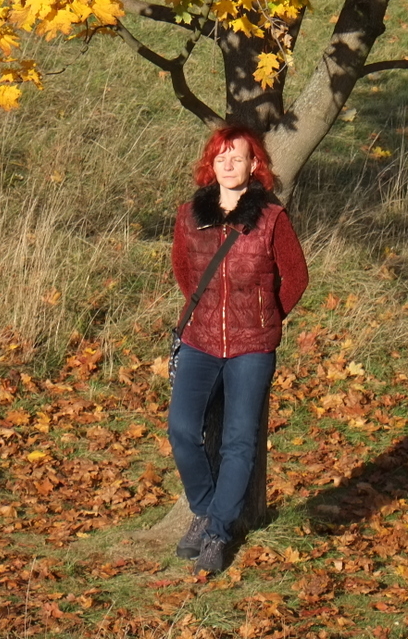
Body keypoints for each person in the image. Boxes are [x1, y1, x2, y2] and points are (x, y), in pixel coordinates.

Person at [168, 126, 308, 574]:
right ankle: (207, 509)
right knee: (183, 430)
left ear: (254, 165)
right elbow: (185, 273)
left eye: (238, 157)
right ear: (211, 164)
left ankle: (218, 532)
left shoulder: (270, 218)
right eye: (220, 157)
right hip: (199, 341)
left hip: (253, 346)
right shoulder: (189, 215)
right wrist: (209, 312)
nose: (228, 164)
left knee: (239, 440)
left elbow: (296, 277)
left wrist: (266, 319)